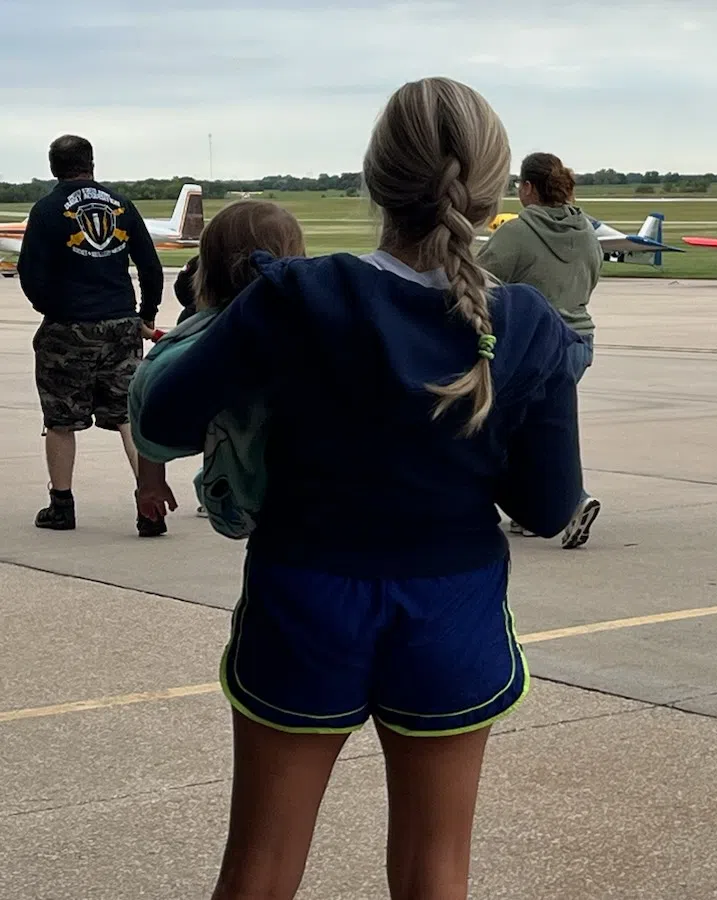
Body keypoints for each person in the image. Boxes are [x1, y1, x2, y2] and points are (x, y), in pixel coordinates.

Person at [135, 77, 583, 900]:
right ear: (489, 197)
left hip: (305, 597)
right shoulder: (523, 324)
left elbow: (161, 418)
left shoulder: (296, 296)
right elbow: (548, 506)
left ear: (376, 182)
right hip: (451, 604)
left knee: (262, 865)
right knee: (434, 870)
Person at [18, 134, 167, 535]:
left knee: (61, 419)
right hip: (120, 323)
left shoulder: (47, 209)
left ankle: (62, 507)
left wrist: (54, 309)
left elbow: (30, 273)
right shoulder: (122, 205)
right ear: (92, 163)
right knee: (127, 417)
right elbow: (150, 267)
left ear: (53, 167)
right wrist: (144, 314)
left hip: (68, 326)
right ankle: (149, 507)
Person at [130, 200, 307, 538]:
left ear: (205, 272)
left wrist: (150, 481)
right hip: (322, 501)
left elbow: (146, 395)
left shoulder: (196, 338)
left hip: (257, 510)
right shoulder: (312, 322)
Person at [477, 150, 603, 549]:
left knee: (503, 424)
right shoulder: (586, 229)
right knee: (539, 428)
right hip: (580, 341)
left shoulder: (517, 231)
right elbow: (594, 275)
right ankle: (528, 508)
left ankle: (572, 501)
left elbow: (482, 281)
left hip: (537, 343)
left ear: (528, 187)